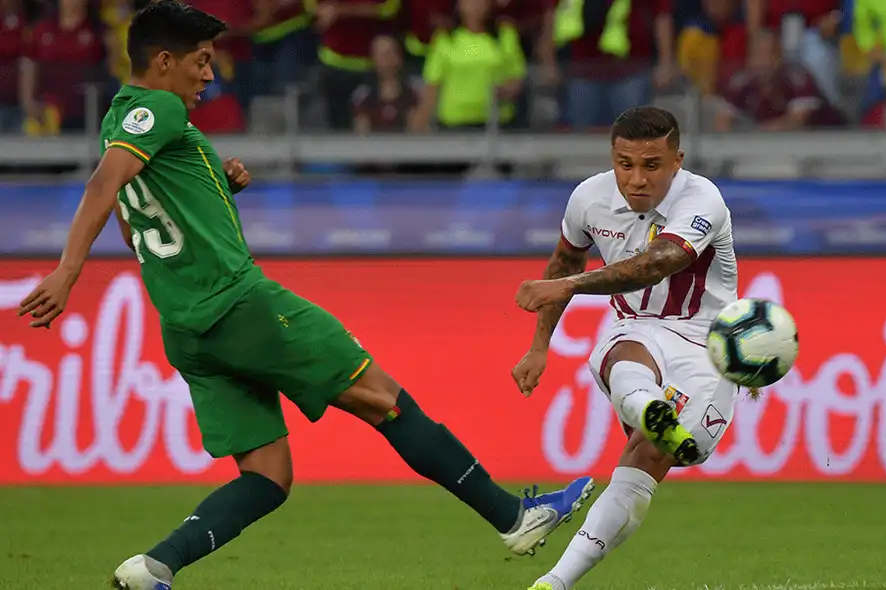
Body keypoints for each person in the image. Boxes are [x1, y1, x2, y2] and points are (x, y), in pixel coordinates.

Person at [14, 2, 594, 589]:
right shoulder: (160, 107)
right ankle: (514, 518)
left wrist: (218, 187)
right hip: (240, 304)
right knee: (384, 400)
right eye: (203, 62)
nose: (210, 76)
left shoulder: (119, 116)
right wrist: (68, 270)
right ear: (164, 62)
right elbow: (102, 185)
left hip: (187, 329)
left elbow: (137, 210)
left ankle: (153, 567)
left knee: (268, 475)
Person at [511, 106, 743, 590]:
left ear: (677, 161)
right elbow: (563, 261)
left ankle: (652, 414)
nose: (636, 179)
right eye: (625, 163)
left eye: (651, 165)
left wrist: (571, 286)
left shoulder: (703, 199)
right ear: (612, 158)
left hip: (707, 341)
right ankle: (552, 584)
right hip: (636, 325)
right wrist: (539, 346)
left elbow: (658, 263)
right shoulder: (588, 198)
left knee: (659, 458)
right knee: (625, 355)